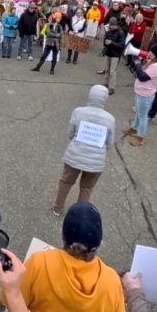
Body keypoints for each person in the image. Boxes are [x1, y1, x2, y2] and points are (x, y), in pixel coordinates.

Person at [51, 85, 116, 215]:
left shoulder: (78, 112)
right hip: (96, 162)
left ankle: (57, 208)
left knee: (66, 181)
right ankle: (79, 213)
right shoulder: (110, 119)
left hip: (74, 155)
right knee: (87, 187)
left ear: (90, 96)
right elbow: (109, 142)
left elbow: (70, 133)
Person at [124, 45, 157, 148]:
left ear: (156, 55)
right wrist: (140, 63)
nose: (149, 53)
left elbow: (142, 77)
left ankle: (140, 138)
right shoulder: (151, 62)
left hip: (145, 95)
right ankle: (134, 128)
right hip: (141, 92)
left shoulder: (156, 66)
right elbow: (142, 71)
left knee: (142, 116)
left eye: (152, 52)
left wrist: (137, 64)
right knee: (138, 112)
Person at [97, 16, 126, 93]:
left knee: (112, 71)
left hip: (116, 55)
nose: (111, 26)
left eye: (113, 25)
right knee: (107, 70)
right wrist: (106, 43)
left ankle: (112, 87)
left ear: (116, 25)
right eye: (110, 25)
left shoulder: (121, 33)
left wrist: (112, 43)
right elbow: (104, 42)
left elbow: (122, 45)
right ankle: (105, 84)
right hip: (108, 53)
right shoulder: (108, 32)